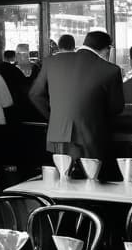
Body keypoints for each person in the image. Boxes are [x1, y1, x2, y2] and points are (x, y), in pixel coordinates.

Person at [29, 29, 125, 178]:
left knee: (61, 180)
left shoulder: (52, 62)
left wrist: (53, 116)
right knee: (90, 181)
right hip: (91, 136)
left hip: (58, 134)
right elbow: (116, 107)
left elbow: (35, 95)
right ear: (107, 49)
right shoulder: (111, 70)